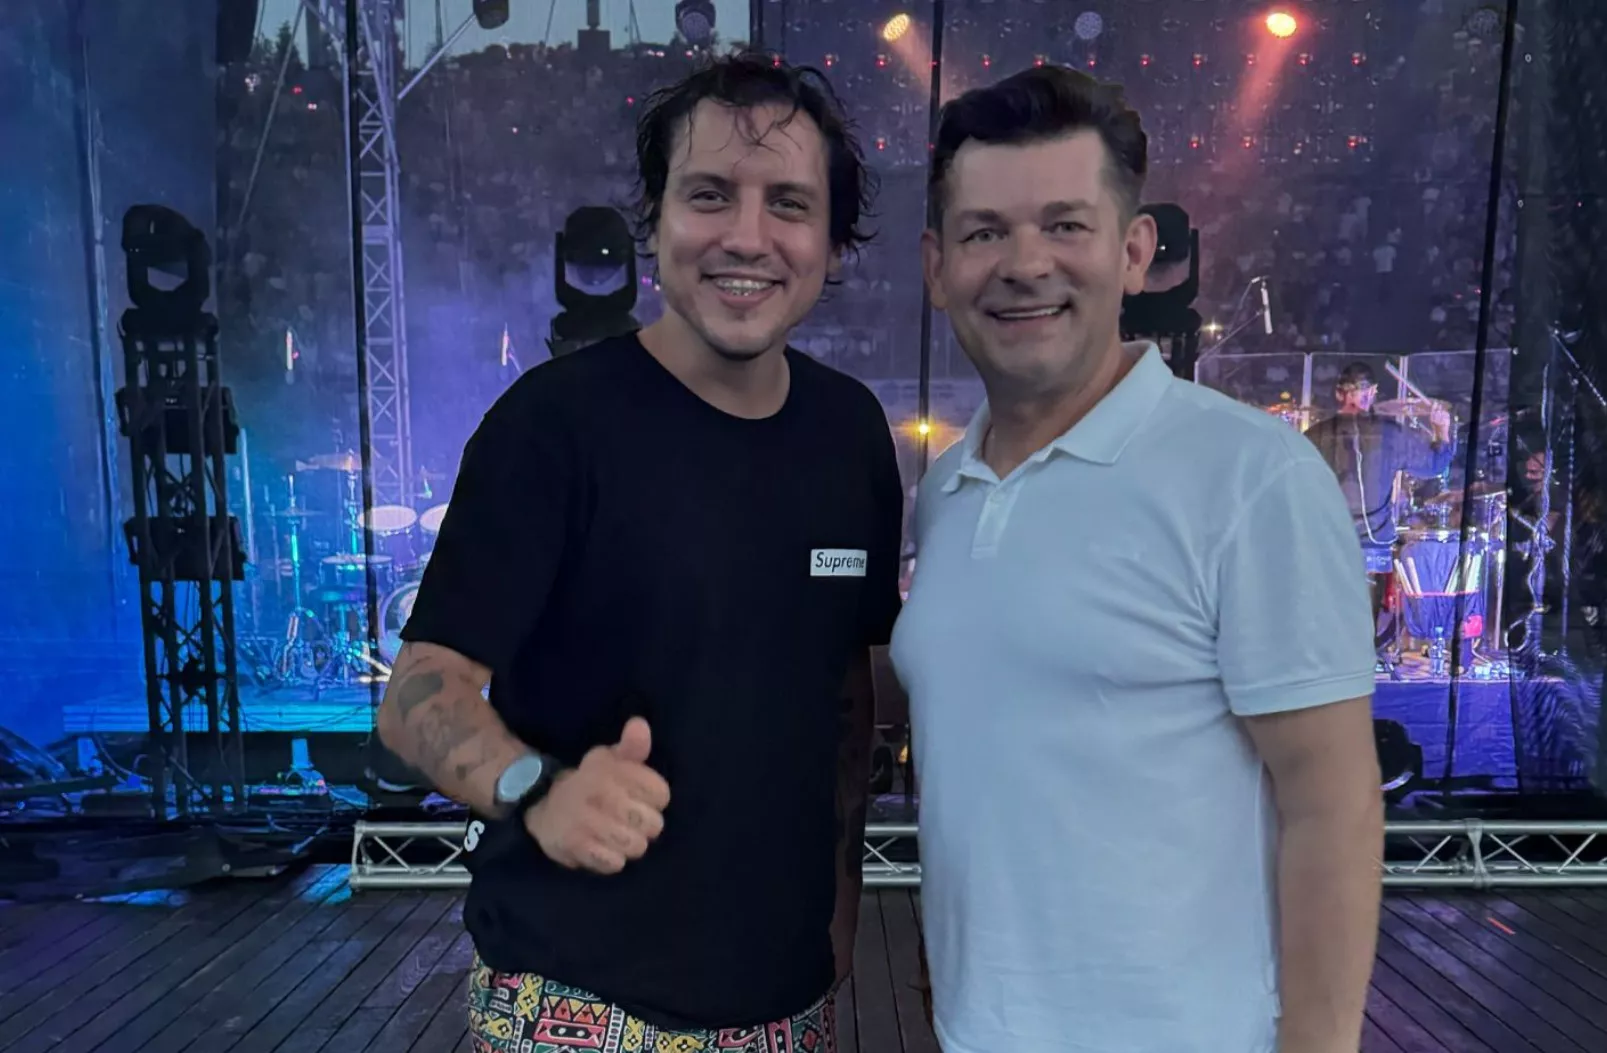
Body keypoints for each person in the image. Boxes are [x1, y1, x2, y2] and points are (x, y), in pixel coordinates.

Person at [375, 53, 904, 1052]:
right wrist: (538, 790)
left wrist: (839, 916)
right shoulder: (552, 427)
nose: (745, 235)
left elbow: (844, 697)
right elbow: (415, 696)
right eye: (709, 195)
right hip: (578, 1007)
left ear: (832, 242)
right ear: (654, 221)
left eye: (788, 203)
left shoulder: (850, 431)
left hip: (787, 1006)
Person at [891, 65, 1384, 1053]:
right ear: (936, 268)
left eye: (1063, 225)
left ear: (1133, 253)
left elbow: (1331, 806)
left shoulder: (1250, 477)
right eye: (984, 233)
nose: (1024, 264)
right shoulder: (946, 492)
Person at [1301, 362, 1455, 653]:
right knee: (1363, 630)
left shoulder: (1314, 436)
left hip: (1326, 542)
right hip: (1373, 543)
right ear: (1372, 393)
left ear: (1338, 393)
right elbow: (1435, 465)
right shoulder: (1389, 433)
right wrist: (1441, 430)